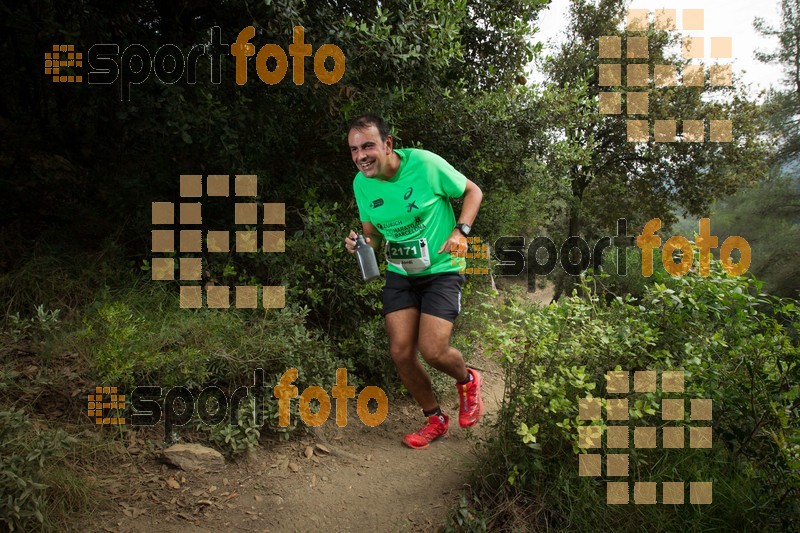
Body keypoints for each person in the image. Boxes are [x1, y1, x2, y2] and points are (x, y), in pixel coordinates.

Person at [343, 113, 484, 449]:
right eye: (353, 149)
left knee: (433, 350)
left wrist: (460, 231)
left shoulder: (424, 164)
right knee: (401, 351)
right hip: (402, 272)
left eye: (368, 146)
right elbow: (372, 236)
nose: (360, 155)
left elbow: (473, 192)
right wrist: (360, 244)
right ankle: (435, 419)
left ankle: (468, 381)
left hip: (442, 267)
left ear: (388, 144)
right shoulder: (361, 184)